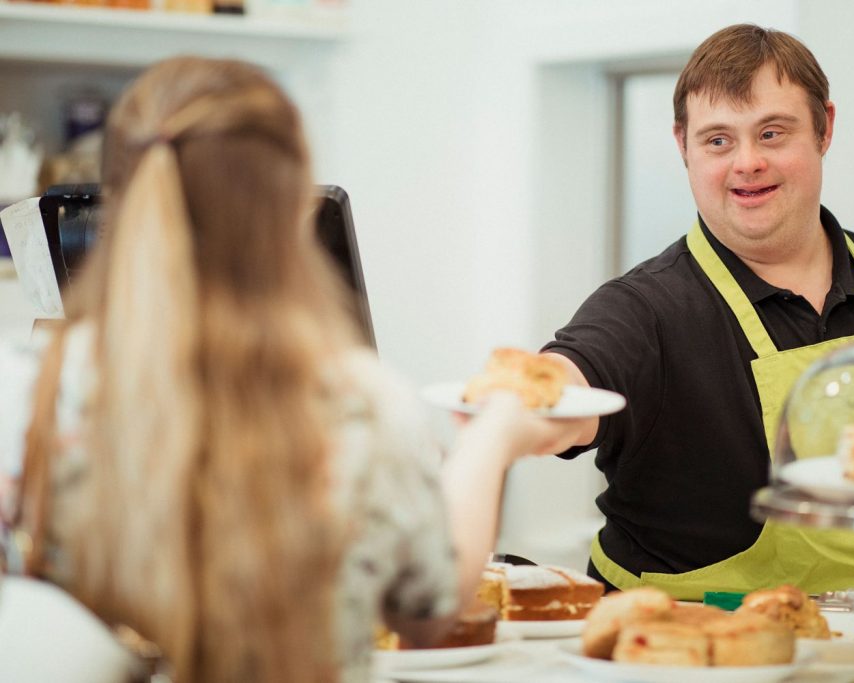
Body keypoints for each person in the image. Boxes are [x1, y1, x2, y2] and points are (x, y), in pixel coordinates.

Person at [0, 56, 577, 683]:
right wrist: (489, 443)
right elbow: (428, 609)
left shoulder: (27, 385)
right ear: (292, 202)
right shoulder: (364, 402)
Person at [540, 24, 854, 599]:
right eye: (718, 140)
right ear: (683, 147)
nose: (747, 162)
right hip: (706, 650)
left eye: (772, 133)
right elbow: (566, 388)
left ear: (825, 129)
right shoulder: (644, 309)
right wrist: (521, 406)